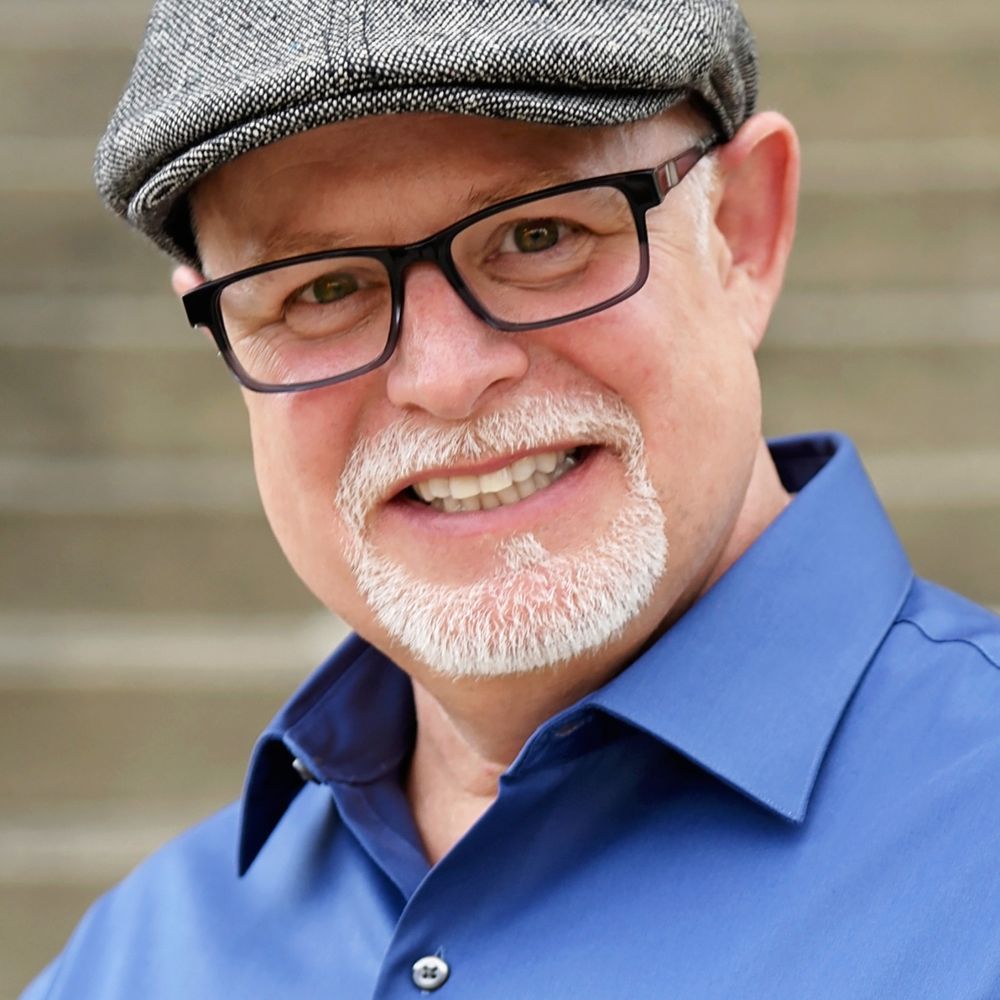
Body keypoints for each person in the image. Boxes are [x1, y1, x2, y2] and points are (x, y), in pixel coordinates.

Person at [23, 1, 1000, 997]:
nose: (445, 377)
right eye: (321, 290)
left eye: (540, 235)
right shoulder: (134, 963)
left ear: (739, 231)